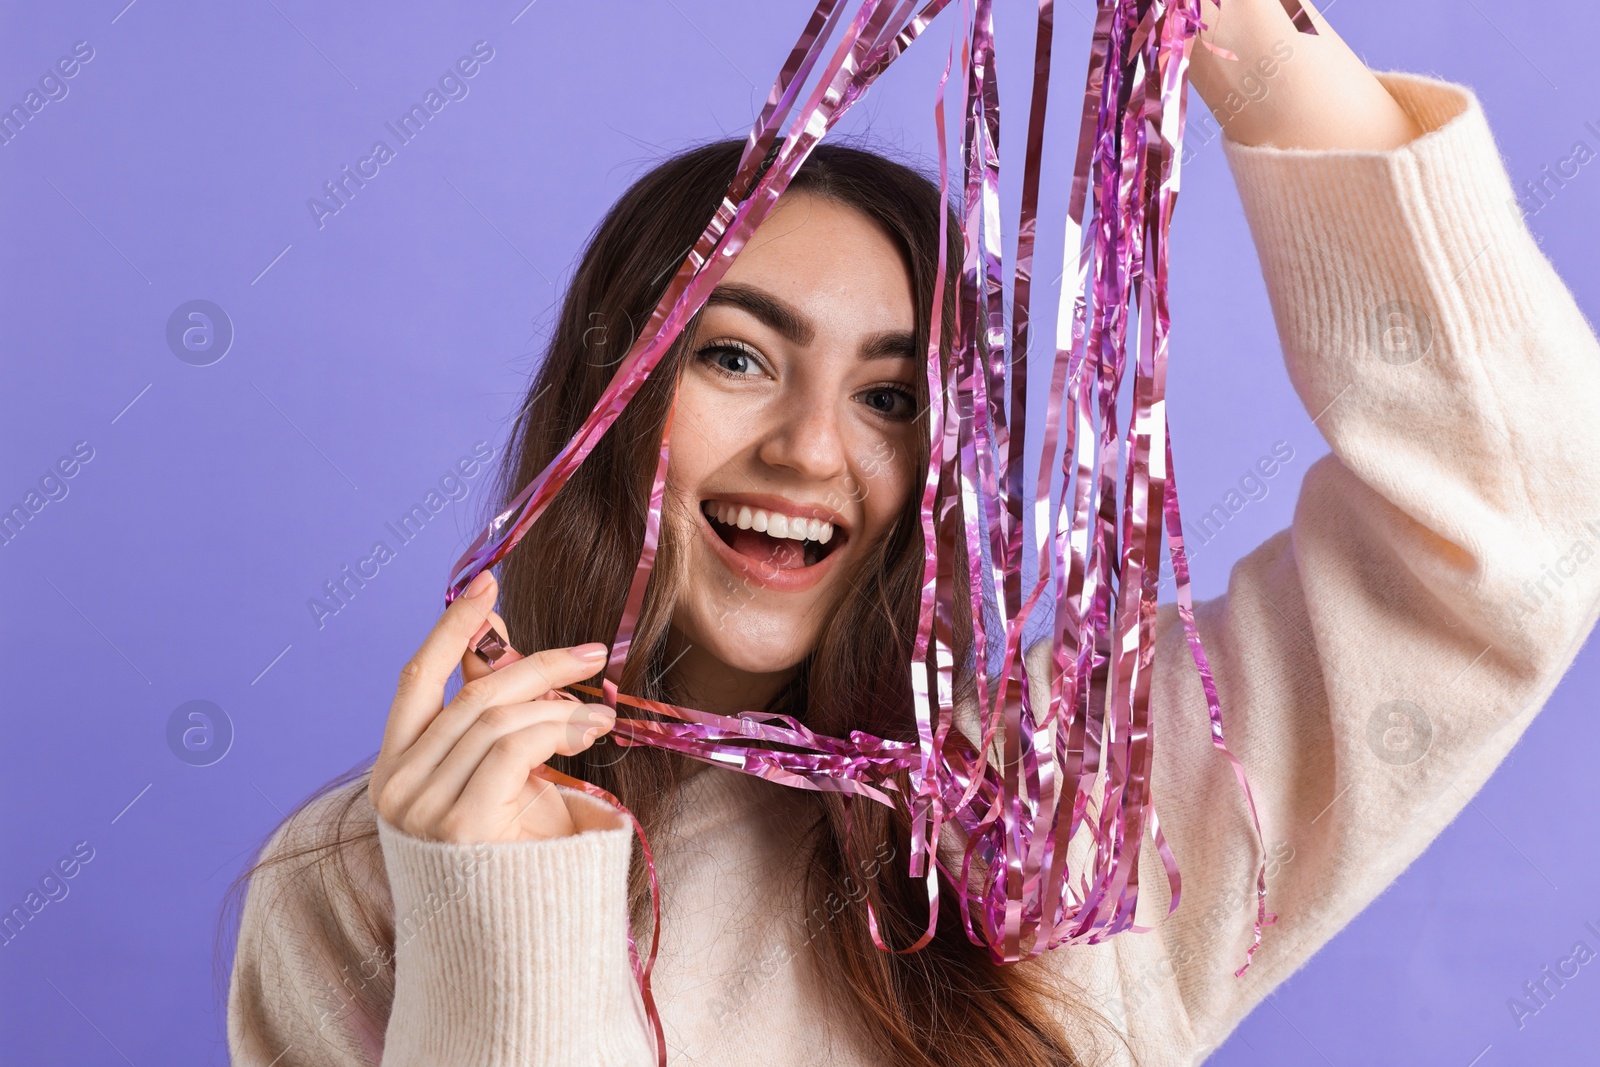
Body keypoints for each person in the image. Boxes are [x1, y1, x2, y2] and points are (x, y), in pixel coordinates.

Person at [223, 2, 1600, 1064]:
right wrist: (495, 912)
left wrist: (1241, 35)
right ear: (610, 395)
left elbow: (1515, 523)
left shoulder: (1070, 807)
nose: (811, 450)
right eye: (737, 360)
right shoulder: (351, 882)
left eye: (891, 394)